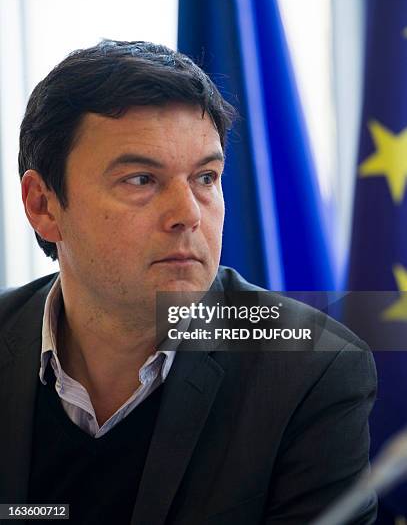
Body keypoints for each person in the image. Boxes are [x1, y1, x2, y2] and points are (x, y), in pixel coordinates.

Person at [0, 40, 376, 524]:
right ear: (43, 206)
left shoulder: (312, 371)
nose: (188, 215)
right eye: (141, 180)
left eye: (206, 177)